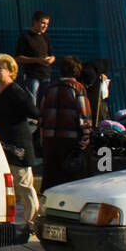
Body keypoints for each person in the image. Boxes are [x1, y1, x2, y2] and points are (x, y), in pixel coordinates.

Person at [0, 54, 39, 231]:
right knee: (5, 183)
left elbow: (34, 112)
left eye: (0, 68)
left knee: (23, 183)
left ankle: (32, 221)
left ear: (11, 71)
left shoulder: (16, 92)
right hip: (3, 145)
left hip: (18, 145)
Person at [37, 56, 94, 190]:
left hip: (50, 140)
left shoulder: (50, 88)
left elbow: (41, 115)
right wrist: (86, 137)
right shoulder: (78, 88)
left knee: (52, 178)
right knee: (71, 179)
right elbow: (84, 116)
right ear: (77, 71)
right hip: (70, 140)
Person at [14, 10, 54, 104]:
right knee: (32, 102)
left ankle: (43, 119)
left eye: (47, 24)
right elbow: (18, 58)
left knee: (45, 102)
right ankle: (32, 119)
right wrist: (37, 60)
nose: (45, 26)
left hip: (46, 76)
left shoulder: (45, 37)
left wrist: (50, 60)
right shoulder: (25, 37)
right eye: (43, 23)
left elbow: (52, 55)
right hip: (31, 76)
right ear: (35, 22)